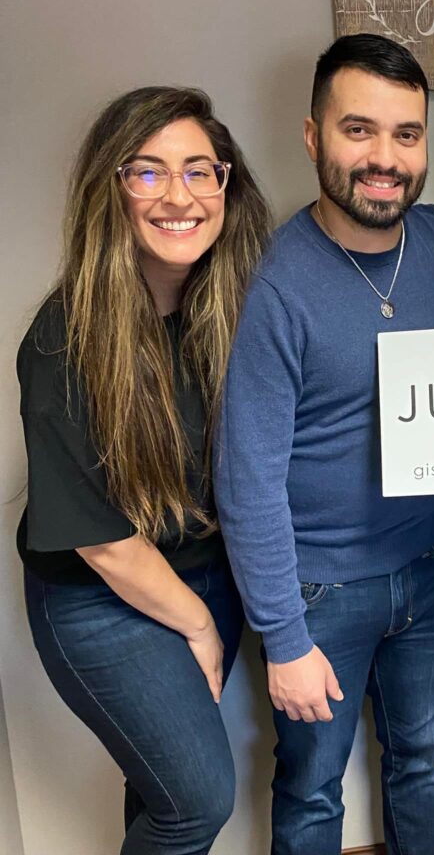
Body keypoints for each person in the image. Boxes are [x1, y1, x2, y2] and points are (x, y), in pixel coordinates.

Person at [214, 33, 434, 855]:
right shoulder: (274, 285)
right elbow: (247, 481)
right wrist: (285, 639)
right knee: (309, 793)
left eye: (407, 134)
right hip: (320, 593)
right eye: (358, 130)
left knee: (422, 766)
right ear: (313, 137)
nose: (385, 157)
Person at [18, 86, 271, 853]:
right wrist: (196, 625)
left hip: (208, 573)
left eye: (200, 171)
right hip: (100, 595)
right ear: (111, 188)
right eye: (149, 173)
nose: (181, 196)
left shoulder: (237, 308)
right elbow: (101, 541)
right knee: (196, 801)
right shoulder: (62, 340)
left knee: (159, 791)